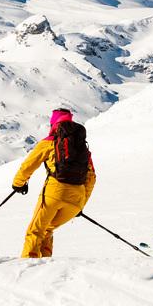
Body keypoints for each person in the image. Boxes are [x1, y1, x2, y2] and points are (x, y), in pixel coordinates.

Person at [12, 108, 97, 258]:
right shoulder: (81, 146)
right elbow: (91, 177)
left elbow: (28, 165)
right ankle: (46, 266)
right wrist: (80, 204)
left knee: (35, 231)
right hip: (76, 199)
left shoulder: (49, 142)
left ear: (53, 125)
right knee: (47, 230)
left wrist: (19, 183)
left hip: (54, 194)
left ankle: (28, 268)